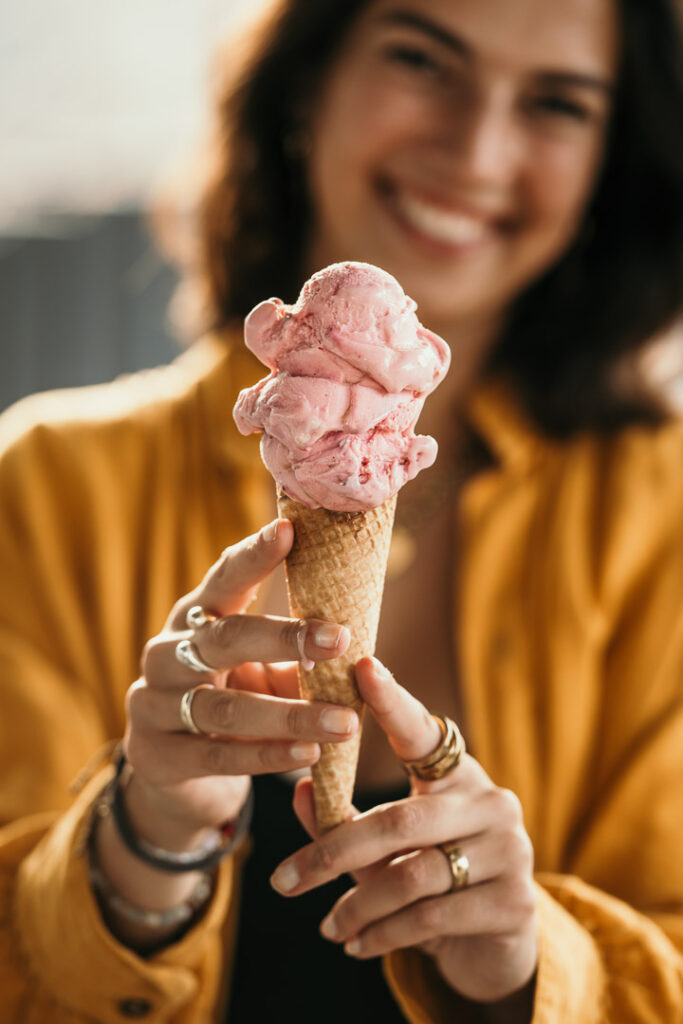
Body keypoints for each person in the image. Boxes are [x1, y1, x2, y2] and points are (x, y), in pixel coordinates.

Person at [1, 0, 682, 1021]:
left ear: (609, 164)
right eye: (420, 58)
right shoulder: (47, 485)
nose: (475, 148)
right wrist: (139, 843)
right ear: (305, 82)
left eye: (555, 103)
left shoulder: (664, 520)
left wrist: (529, 959)